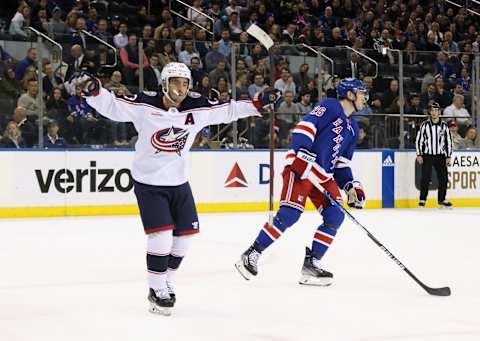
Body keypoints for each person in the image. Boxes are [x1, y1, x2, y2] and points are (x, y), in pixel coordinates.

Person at [69, 62, 273, 315]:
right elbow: (112, 106)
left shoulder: (197, 108)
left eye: (185, 83)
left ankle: (166, 282)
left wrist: (257, 104)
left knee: (184, 239)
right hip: (149, 183)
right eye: (176, 82)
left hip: (179, 183)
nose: (181, 87)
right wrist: (94, 90)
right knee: (162, 237)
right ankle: (155, 289)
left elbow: (228, 110)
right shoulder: (145, 104)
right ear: (164, 84)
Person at [235, 78, 368, 286]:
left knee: (335, 215)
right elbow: (305, 127)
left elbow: (341, 165)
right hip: (302, 167)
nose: (364, 98)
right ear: (350, 94)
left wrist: (351, 186)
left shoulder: (353, 128)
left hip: (323, 176)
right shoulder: (331, 106)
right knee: (289, 214)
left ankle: (312, 264)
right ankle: (252, 253)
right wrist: (302, 154)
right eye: (361, 93)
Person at [415, 102, 453, 208]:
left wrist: (448, 156)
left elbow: (448, 141)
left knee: (443, 178)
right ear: (429, 112)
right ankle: (422, 200)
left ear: (439, 112)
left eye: (436, 110)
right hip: (428, 155)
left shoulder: (444, 126)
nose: (434, 113)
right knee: (425, 178)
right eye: (432, 110)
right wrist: (419, 154)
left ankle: (441, 200)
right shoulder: (425, 125)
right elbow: (419, 140)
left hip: (440, 155)